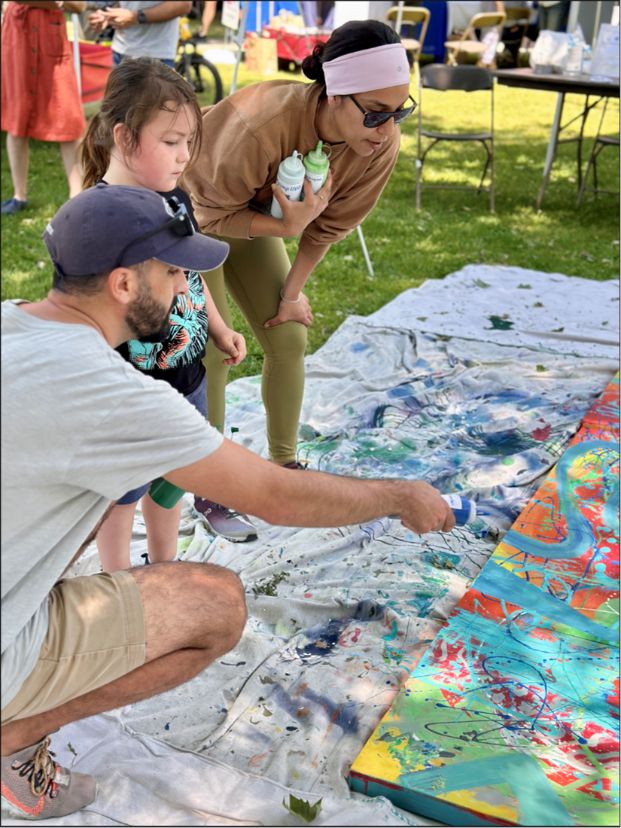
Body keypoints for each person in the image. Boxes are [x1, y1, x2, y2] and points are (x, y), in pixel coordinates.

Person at [1, 184, 454, 820]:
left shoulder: (10, 320)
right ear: (125, 284)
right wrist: (398, 496)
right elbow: (274, 494)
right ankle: (15, 734)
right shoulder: (115, 394)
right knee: (217, 606)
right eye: (175, 271)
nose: (187, 288)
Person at [181, 20, 416, 470]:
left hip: (246, 216)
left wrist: (291, 296)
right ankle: (208, 478)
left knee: (289, 338)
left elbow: (326, 228)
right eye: (374, 113)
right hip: (194, 216)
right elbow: (205, 212)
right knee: (214, 347)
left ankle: (285, 467)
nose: (386, 129)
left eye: (399, 111)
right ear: (334, 95)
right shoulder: (261, 124)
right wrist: (284, 229)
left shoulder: (378, 143)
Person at [80, 58, 256, 556]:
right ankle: (118, 583)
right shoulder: (102, 216)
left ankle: (164, 567)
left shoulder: (176, 198)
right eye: (171, 142)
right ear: (125, 138)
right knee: (121, 494)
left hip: (188, 377)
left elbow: (193, 273)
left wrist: (218, 328)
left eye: (189, 143)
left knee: (173, 478)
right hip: (130, 388)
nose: (184, 156)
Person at [1, 0, 87, 215]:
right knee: (16, 117)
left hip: (51, 42)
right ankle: (19, 196)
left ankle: (77, 197)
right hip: (17, 39)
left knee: (68, 118)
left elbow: (79, 5)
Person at [87, 0, 191, 67]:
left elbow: (183, 4)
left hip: (155, 57)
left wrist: (136, 17)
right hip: (119, 52)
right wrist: (108, 15)